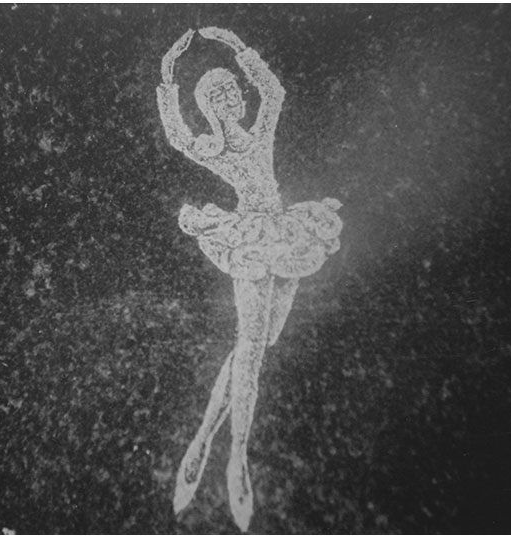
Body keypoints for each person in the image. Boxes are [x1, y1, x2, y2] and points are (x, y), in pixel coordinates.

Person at [156, 27, 343, 532]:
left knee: (258, 345)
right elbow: (177, 136)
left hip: (286, 233)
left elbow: (274, 92)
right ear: (208, 108)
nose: (230, 98)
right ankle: (236, 455)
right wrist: (168, 76)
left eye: (232, 89)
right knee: (252, 347)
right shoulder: (214, 150)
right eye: (218, 95)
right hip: (250, 238)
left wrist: (239, 49)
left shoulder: (260, 130)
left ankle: (202, 438)